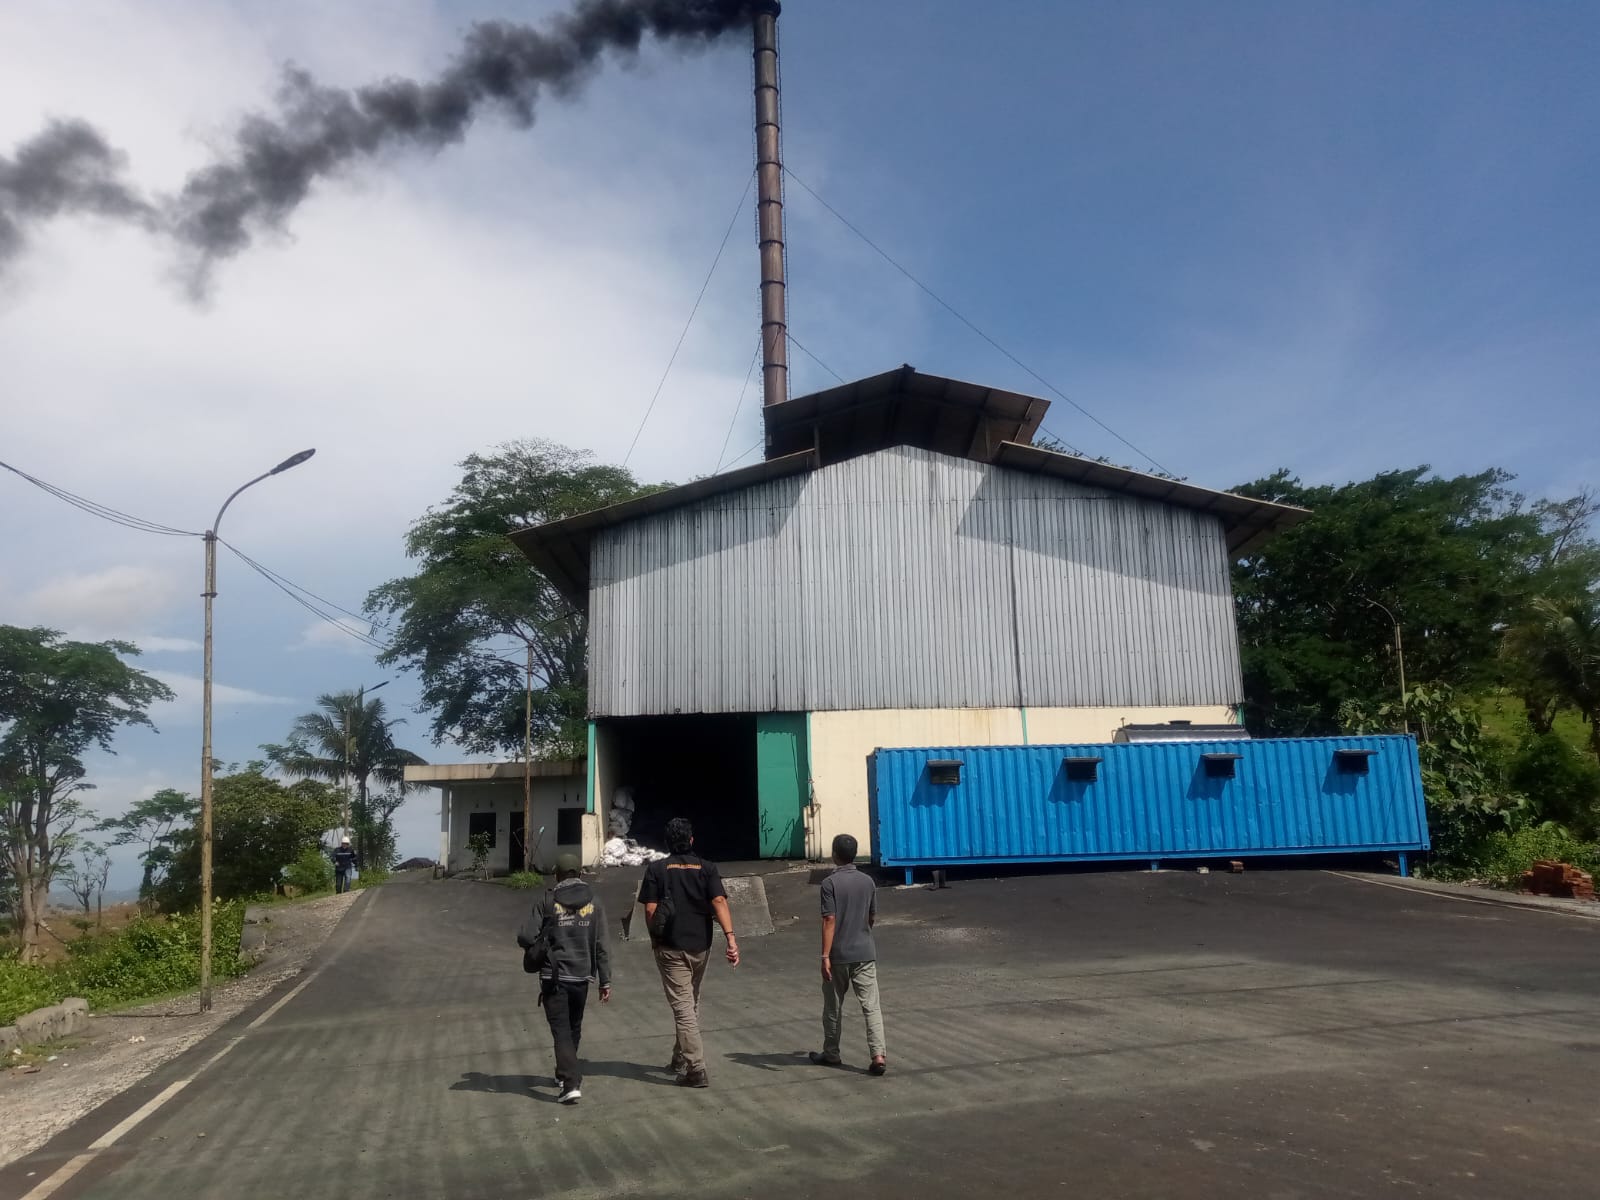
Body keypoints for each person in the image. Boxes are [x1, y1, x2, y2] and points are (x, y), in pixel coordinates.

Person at [638, 817, 739, 1088]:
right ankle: (679, 1059)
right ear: (692, 841)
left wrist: (655, 938)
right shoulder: (706, 868)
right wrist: (731, 939)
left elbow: (649, 909)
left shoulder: (657, 869)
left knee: (683, 1007)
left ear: (667, 843)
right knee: (689, 1003)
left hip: (671, 947)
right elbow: (718, 900)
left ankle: (696, 1068)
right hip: (701, 946)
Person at [521, 854, 611, 1105]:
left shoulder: (547, 901)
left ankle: (570, 1083)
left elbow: (525, 935)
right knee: (573, 1027)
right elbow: (602, 945)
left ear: (557, 875)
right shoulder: (595, 902)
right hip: (582, 976)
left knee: (561, 1030)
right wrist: (606, 981)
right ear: (579, 873)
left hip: (554, 975)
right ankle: (565, 1075)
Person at [810, 833, 887, 1076]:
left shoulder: (829, 884)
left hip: (838, 955)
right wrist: (862, 934)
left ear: (834, 854)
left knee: (833, 1007)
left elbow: (829, 919)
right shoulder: (868, 882)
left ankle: (831, 1053)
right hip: (865, 951)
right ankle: (878, 1054)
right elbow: (871, 917)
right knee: (871, 1006)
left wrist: (825, 956)